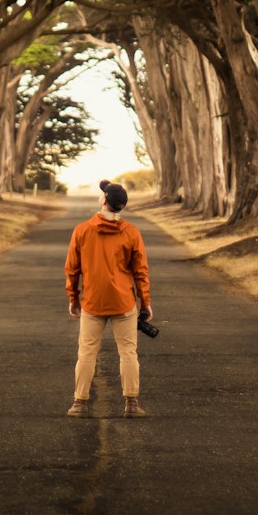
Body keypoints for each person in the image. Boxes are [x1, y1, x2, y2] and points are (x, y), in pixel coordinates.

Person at [64, 178, 152, 419]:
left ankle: (79, 403)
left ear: (103, 201)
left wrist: (73, 298)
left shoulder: (82, 230)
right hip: (124, 303)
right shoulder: (131, 232)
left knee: (87, 352)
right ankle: (131, 404)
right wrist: (146, 303)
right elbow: (140, 272)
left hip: (92, 302)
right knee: (128, 352)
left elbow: (72, 269)